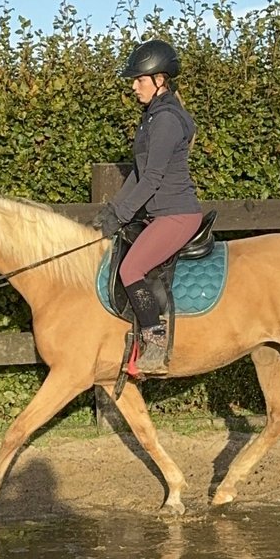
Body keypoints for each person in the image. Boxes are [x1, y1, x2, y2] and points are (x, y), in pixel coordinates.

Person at [95, 39, 203, 375]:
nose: (133, 86)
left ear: (159, 80)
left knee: (130, 269)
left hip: (177, 214)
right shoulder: (152, 118)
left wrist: (123, 214)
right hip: (163, 213)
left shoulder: (167, 120)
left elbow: (153, 178)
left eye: (139, 80)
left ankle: (155, 347)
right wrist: (113, 210)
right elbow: (139, 172)